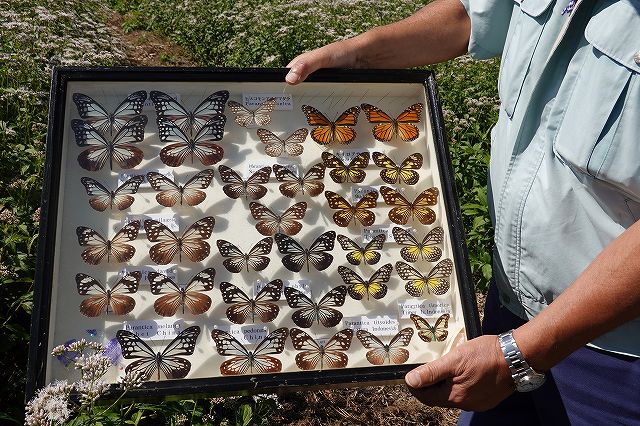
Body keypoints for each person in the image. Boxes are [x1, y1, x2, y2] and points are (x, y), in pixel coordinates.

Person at [286, 0, 640, 424]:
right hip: (507, 310)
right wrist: (358, 52)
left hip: (615, 356)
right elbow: (471, 16)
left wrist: (521, 353)